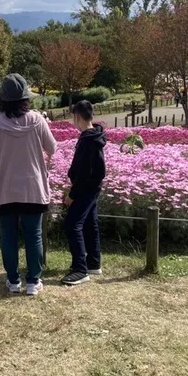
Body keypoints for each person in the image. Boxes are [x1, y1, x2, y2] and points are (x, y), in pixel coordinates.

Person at [0, 73, 57, 296]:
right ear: (25, 98)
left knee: (8, 236)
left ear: (2, 100)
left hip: (4, 188)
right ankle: (34, 281)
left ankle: (13, 280)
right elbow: (52, 148)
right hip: (33, 188)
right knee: (33, 235)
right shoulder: (37, 119)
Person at [61, 100, 106, 286]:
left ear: (77, 117)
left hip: (85, 189)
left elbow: (83, 172)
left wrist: (72, 194)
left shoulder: (87, 141)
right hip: (93, 188)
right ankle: (93, 262)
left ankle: (80, 269)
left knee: (73, 224)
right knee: (90, 223)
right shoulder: (95, 135)